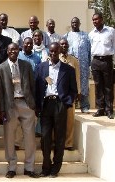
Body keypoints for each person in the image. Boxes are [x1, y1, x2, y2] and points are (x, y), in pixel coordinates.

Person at [0, 43, 39, 178]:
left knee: (30, 137)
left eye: (15, 49)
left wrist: (33, 105)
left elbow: (33, 85)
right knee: (9, 137)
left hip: (26, 104)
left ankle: (29, 167)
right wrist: (2, 110)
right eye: (10, 49)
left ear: (19, 51)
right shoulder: (0, 69)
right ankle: (12, 167)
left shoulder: (26, 65)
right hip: (10, 106)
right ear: (7, 51)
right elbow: (0, 92)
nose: (13, 51)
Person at [36, 42, 77, 178]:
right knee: (45, 137)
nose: (53, 54)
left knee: (59, 137)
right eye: (51, 52)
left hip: (60, 104)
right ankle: (46, 167)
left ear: (59, 52)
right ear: (49, 52)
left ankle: (55, 168)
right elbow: (37, 87)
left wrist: (67, 103)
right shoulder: (41, 68)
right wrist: (38, 105)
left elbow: (73, 90)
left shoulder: (68, 69)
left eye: (55, 52)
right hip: (46, 104)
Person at [88, 12, 115, 119]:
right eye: (93, 20)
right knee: (98, 86)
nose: (94, 22)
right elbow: (90, 48)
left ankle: (109, 110)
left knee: (108, 86)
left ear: (102, 19)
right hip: (96, 61)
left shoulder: (110, 31)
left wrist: (113, 61)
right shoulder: (91, 34)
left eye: (96, 19)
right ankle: (100, 108)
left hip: (107, 61)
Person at [64, 17, 91, 113]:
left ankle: (85, 106)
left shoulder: (85, 36)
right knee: (72, 83)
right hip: (71, 64)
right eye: (72, 22)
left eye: (76, 22)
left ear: (80, 24)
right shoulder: (66, 36)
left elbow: (89, 50)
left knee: (83, 85)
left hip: (83, 64)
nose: (74, 24)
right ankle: (72, 104)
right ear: (70, 24)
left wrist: (89, 63)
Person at [59, 38, 81, 151]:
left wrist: (78, 92)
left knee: (70, 120)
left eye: (65, 44)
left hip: (70, 94)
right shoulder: (54, 58)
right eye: (61, 44)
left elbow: (77, 77)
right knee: (57, 120)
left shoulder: (74, 60)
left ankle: (68, 143)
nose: (64, 46)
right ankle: (56, 142)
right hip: (58, 95)